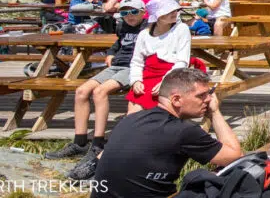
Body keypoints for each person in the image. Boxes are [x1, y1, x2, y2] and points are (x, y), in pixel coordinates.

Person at [92, 67, 242, 198]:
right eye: (201, 95)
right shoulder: (183, 131)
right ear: (176, 99)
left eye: (209, 93)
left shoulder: (132, 118)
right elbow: (235, 157)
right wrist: (215, 112)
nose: (209, 99)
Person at [46, 0, 148, 179]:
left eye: (133, 12)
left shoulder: (148, 29)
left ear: (142, 12)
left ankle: (98, 143)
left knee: (100, 92)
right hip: (116, 65)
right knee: (81, 91)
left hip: (133, 68)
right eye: (124, 13)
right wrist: (110, 53)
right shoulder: (122, 26)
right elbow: (118, 43)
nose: (129, 16)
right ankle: (80, 141)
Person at [127, 0, 191, 113]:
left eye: (175, 10)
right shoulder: (144, 34)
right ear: (158, 16)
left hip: (173, 74)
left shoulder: (182, 29)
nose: (174, 13)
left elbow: (182, 61)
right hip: (148, 75)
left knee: (163, 109)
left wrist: (165, 81)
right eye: (169, 11)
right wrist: (136, 80)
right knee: (133, 113)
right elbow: (137, 61)